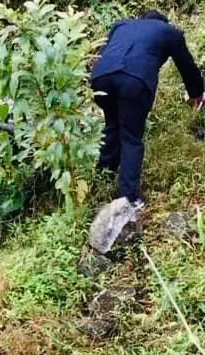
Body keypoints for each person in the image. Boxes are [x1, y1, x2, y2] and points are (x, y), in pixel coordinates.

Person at [90, 10, 204, 208]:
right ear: (162, 22)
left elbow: (105, 52)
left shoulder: (121, 25)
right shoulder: (169, 31)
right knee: (130, 137)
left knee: (112, 126)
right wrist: (197, 93)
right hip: (134, 81)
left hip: (102, 78)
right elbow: (186, 66)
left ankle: (102, 178)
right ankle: (128, 199)